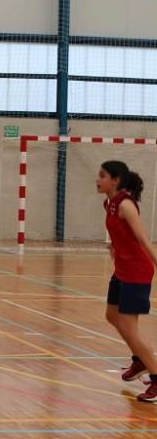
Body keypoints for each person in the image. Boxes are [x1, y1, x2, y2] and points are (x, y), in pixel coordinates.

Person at [96, 160, 157, 402]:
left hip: (137, 271)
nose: (98, 179)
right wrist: (114, 245)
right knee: (111, 316)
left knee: (130, 329)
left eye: (102, 175)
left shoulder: (126, 205)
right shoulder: (108, 203)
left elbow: (143, 239)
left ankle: (155, 375)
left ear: (116, 179)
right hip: (121, 269)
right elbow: (121, 233)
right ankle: (140, 360)